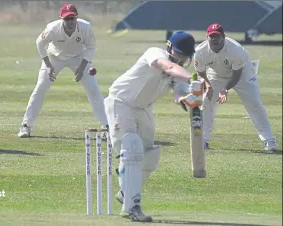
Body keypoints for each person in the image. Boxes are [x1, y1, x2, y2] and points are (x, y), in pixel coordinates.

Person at [104, 31, 201, 222]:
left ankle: (126, 193)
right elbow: (166, 66)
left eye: (185, 56)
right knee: (131, 147)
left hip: (143, 108)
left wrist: (185, 99)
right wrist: (193, 78)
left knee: (150, 156)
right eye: (179, 53)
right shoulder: (155, 53)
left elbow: (178, 92)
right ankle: (132, 206)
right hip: (121, 102)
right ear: (169, 47)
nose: (181, 59)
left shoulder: (178, 70)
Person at [18, 3, 108, 137]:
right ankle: (26, 126)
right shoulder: (52, 28)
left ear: (76, 18)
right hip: (55, 57)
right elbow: (39, 43)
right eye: (67, 19)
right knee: (40, 88)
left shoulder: (85, 27)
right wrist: (48, 65)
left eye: (72, 18)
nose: (70, 21)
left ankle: (107, 125)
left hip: (79, 58)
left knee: (93, 89)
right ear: (62, 19)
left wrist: (82, 66)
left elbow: (91, 46)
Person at [194, 23, 279, 152]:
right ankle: (203, 141)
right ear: (207, 37)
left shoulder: (235, 50)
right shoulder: (200, 52)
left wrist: (225, 89)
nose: (214, 39)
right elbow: (200, 72)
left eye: (217, 36)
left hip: (242, 74)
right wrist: (208, 85)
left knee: (254, 103)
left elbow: (236, 75)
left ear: (224, 37)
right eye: (212, 36)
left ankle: (269, 141)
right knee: (206, 100)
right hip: (216, 73)